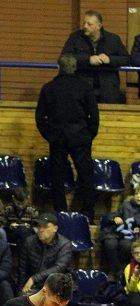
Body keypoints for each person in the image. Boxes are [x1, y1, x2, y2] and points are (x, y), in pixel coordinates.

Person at [35, 54, 98, 218]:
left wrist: (49, 135)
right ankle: (88, 212)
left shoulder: (49, 88)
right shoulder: (84, 87)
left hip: (58, 138)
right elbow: (94, 115)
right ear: (75, 67)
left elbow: (40, 117)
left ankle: (61, 211)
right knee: (85, 175)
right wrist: (89, 134)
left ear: (59, 67)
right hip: (81, 137)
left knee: (57, 177)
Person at [61, 10, 129, 104]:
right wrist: (88, 60)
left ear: (99, 26)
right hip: (82, 86)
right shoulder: (75, 38)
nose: (85, 26)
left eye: (89, 24)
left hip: (108, 89)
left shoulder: (113, 39)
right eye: (84, 23)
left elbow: (126, 59)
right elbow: (64, 57)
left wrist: (110, 59)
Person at [16, 213, 74, 295]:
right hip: (35, 286)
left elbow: (59, 268)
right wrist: (20, 290)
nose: (41, 230)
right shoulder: (29, 242)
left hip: (57, 285)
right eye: (39, 226)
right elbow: (22, 269)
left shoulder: (64, 244)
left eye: (46, 227)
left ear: (55, 228)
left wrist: (34, 278)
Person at [99, 184, 140, 274]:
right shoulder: (126, 204)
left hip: (132, 236)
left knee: (126, 246)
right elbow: (116, 214)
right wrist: (116, 218)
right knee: (110, 244)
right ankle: (117, 272)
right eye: (137, 193)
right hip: (117, 232)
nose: (138, 196)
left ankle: (124, 271)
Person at [123, 240, 140, 306]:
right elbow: (131, 289)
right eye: (136, 253)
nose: (139, 255)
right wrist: (135, 276)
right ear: (133, 254)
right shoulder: (129, 268)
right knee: (135, 302)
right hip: (134, 294)